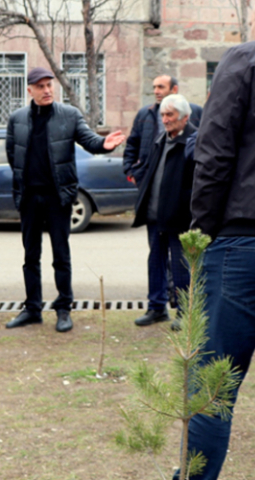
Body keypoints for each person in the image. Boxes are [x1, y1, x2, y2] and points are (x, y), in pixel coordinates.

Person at [179, 41, 255, 480]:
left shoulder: (244, 60)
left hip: (242, 243)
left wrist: (200, 235)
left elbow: (213, 151)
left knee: (212, 390)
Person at [5, 67, 125, 333]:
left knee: (61, 255)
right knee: (30, 256)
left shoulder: (69, 115)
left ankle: (63, 309)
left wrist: (104, 143)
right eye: (41, 86)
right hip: (29, 199)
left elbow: (89, 140)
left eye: (50, 85)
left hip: (58, 197)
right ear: (30, 90)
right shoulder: (16, 119)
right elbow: (13, 156)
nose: (47, 90)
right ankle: (33, 309)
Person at [130, 94, 196, 330]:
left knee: (181, 267)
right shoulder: (161, 138)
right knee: (155, 263)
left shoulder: (193, 141)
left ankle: (184, 313)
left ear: (185, 118)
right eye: (163, 115)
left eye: (170, 115)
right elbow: (149, 169)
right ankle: (157, 309)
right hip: (154, 216)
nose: (165, 120)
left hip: (179, 218)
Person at [123, 75, 203, 185]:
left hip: (181, 180)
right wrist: (131, 173)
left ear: (174, 89)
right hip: (149, 179)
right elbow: (132, 145)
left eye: (161, 87)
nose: (156, 91)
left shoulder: (195, 112)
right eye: (154, 87)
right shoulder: (144, 114)